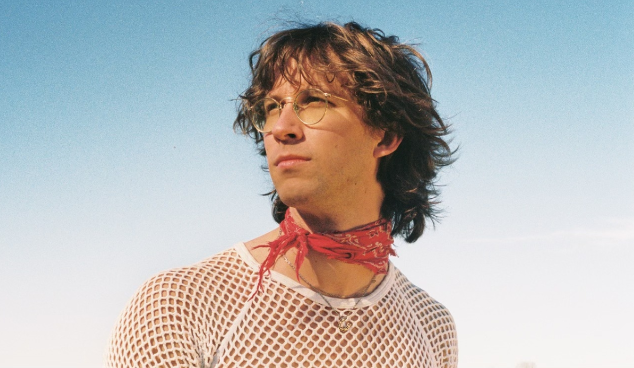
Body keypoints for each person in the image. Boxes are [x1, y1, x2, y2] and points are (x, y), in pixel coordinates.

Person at [106, 21, 457, 368]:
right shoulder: (177, 307)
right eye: (273, 107)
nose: (281, 128)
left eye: (314, 101)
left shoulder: (431, 327)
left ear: (387, 136)